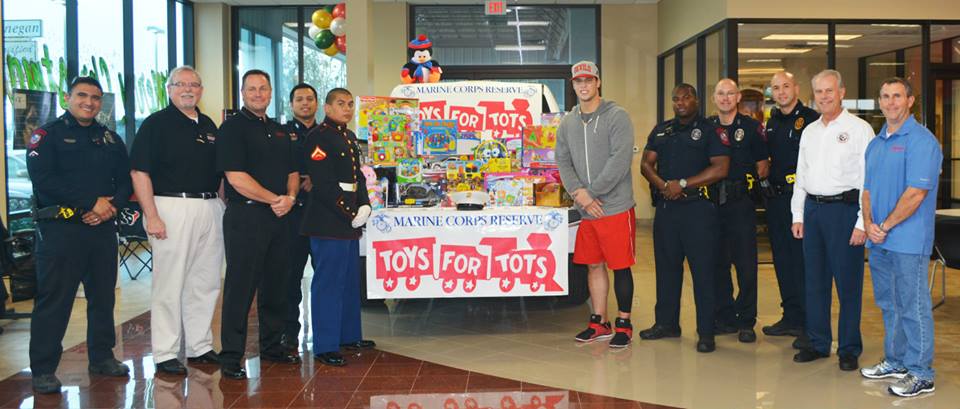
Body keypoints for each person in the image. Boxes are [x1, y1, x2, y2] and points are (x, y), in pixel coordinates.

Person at [27, 77, 133, 393]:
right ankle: (43, 369)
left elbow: (126, 181)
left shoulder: (110, 139)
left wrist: (109, 206)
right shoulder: (47, 136)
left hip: (101, 229)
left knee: (102, 298)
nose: (89, 102)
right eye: (82, 95)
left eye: (96, 97)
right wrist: (90, 202)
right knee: (55, 301)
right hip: (61, 231)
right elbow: (43, 178)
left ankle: (102, 357)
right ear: (67, 97)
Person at [129, 66, 223, 375]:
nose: (187, 89)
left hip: (210, 206)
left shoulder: (209, 125)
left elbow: (221, 173)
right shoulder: (155, 125)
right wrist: (152, 215)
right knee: (170, 283)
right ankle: (165, 351)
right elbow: (139, 171)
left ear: (201, 90)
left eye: (193, 84)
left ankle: (200, 346)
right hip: (170, 206)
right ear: (169, 89)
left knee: (205, 281)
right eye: (180, 84)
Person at [216, 69, 301, 380]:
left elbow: (294, 171)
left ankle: (272, 347)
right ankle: (231, 357)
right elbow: (236, 178)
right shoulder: (232, 129)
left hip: (280, 216)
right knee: (241, 288)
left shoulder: (280, 131)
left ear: (269, 92)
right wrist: (274, 199)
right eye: (251, 89)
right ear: (243, 93)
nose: (257, 94)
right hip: (247, 217)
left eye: (263, 88)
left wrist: (290, 197)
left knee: (276, 285)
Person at [861, 77, 941, 397]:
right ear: (879, 102)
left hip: (907, 240)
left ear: (910, 101)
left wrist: (886, 225)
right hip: (879, 239)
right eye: (884, 96)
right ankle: (896, 361)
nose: (890, 102)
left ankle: (921, 372)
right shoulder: (875, 143)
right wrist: (869, 224)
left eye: (897, 96)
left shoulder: (922, 141)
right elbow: (866, 190)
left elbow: (916, 193)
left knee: (913, 305)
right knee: (889, 304)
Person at [790, 69, 873, 371]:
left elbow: (868, 180)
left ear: (841, 92)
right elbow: (801, 174)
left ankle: (849, 348)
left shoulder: (860, 129)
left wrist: (862, 222)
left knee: (847, 284)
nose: (824, 97)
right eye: (819, 92)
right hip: (813, 210)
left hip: (844, 212)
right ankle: (818, 342)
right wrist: (798, 214)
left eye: (829, 91)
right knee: (815, 281)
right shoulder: (810, 131)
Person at [639, 83, 731, 353]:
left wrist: (682, 183)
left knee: (703, 272)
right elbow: (646, 163)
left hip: (699, 210)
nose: (680, 103)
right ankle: (666, 324)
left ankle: (706, 331)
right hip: (667, 210)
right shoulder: (662, 130)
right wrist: (663, 186)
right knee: (666, 269)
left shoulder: (710, 130)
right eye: (676, 99)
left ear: (697, 101)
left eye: (686, 98)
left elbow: (721, 168)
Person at [556, 60, 638, 349]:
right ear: (573, 85)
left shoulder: (617, 116)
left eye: (589, 80)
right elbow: (563, 160)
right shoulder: (568, 122)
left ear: (598, 82)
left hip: (613, 206)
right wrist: (579, 193)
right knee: (593, 265)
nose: (584, 85)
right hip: (586, 209)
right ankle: (598, 321)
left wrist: (591, 193)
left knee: (620, 266)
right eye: (578, 81)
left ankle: (624, 324)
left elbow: (620, 159)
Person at [301, 88, 376, 367]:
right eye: (341, 104)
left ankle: (348, 335)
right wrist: (349, 211)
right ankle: (325, 345)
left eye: (350, 104)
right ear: (328, 107)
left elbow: (358, 176)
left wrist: (365, 204)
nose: (347, 109)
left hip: (349, 218)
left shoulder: (348, 136)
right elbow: (323, 184)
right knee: (328, 283)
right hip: (328, 219)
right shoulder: (318, 137)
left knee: (348, 281)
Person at [761, 71, 820, 348]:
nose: (781, 92)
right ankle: (791, 316)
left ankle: (809, 321)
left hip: (802, 202)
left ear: (796, 88)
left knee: (803, 261)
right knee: (782, 260)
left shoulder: (809, 119)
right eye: (776, 88)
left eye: (786, 86)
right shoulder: (771, 121)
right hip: (776, 201)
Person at [708, 79, 769, 343]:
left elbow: (763, 164)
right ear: (714, 98)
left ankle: (746, 320)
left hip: (740, 203)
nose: (725, 98)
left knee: (745, 265)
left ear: (738, 97)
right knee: (717, 262)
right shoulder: (706, 127)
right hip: (711, 204)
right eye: (720, 93)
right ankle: (724, 317)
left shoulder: (752, 127)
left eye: (730, 93)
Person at [280, 83, 319, 352]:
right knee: (289, 277)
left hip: (322, 216)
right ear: (291, 104)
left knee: (325, 276)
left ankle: (330, 331)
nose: (305, 103)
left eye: (310, 99)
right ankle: (288, 333)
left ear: (317, 103)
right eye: (299, 99)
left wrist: (316, 179)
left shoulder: (327, 133)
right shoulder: (281, 134)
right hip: (291, 217)